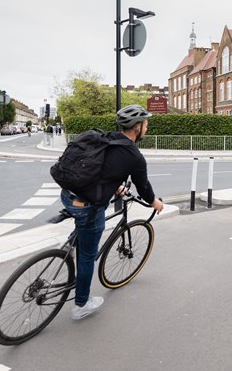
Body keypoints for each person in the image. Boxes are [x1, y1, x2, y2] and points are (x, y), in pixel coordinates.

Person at [61, 104, 164, 320]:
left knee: (83, 235)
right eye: (145, 124)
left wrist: (115, 186)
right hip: (87, 206)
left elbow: (100, 168)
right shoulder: (134, 156)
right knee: (88, 256)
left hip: (68, 194)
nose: (147, 127)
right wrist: (155, 202)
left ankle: (68, 248)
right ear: (137, 127)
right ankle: (82, 305)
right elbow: (143, 187)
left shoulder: (107, 139)